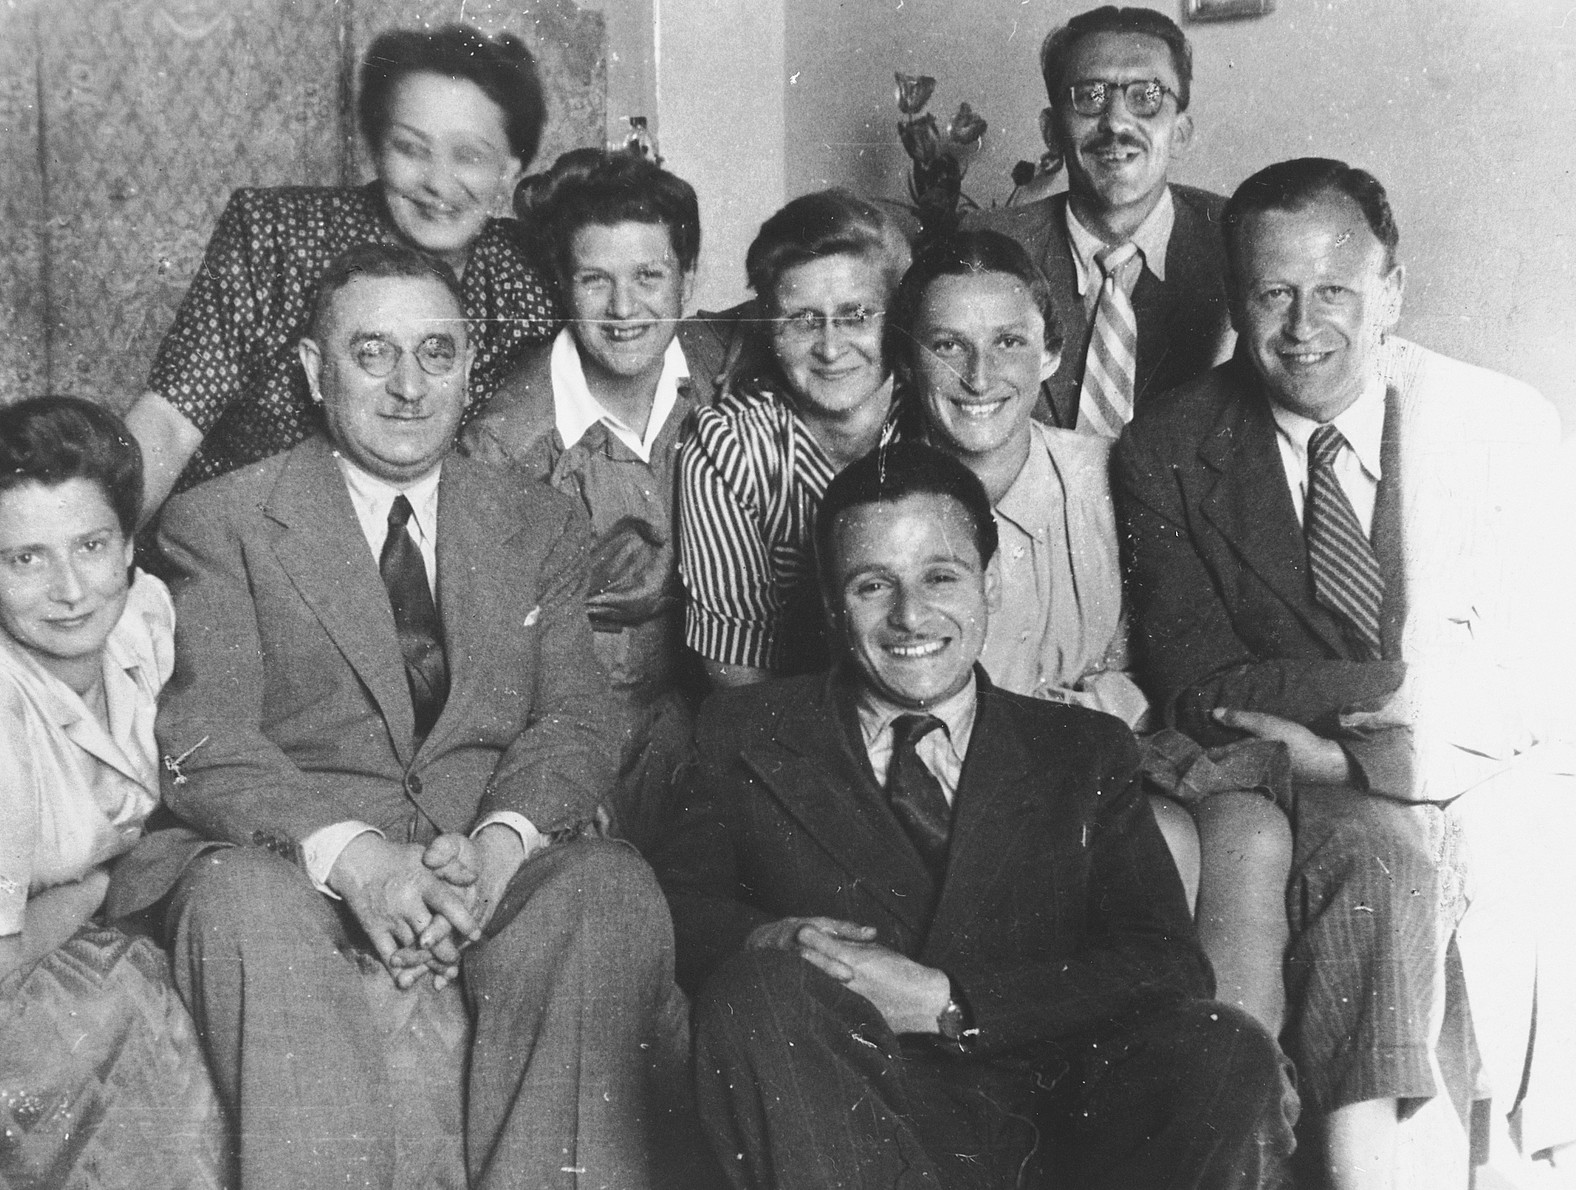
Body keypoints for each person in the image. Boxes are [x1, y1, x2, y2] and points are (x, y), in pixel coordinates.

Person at [107, 241, 689, 1190]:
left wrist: (499, 851)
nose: (410, 386)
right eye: (373, 353)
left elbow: (577, 722)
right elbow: (208, 744)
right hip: (300, 864)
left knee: (609, 890)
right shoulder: (219, 522)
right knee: (235, 898)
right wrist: (363, 863)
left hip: (480, 856)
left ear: (468, 364)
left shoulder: (538, 523)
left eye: (437, 352)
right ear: (313, 369)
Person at [654, 440, 1293, 1190]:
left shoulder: (1081, 749)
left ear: (989, 585)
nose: (910, 615)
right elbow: (678, 913)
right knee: (756, 992)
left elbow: (1163, 963)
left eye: (941, 577)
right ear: (831, 603)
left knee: (1223, 1044)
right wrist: (768, 936)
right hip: (850, 1126)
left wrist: (951, 1004)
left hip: (1050, 1127)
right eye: (871, 586)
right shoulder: (745, 731)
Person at [1114, 157, 1575, 1188]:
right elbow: (1199, 678)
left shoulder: (1498, 425)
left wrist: (1350, 741)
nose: (1303, 326)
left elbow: (1540, 667)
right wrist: (1410, 684)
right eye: (1272, 293)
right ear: (1236, 301)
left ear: (1393, 291)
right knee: (1373, 858)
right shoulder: (1168, 448)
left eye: (1335, 291)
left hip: (1455, 762)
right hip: (1267, 772)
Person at [896, 226, 1292, 1036]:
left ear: (1050, 353)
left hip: (1109, 743)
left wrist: (1108, 697)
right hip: (970, 770)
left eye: (1009, 342)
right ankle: (1156, 1101)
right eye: (948, 345)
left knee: (1251, 827)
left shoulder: (1108, 471)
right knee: (1160, 837)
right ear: (910, 359)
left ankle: (1247, 1103)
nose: (980, 376)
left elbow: (1149, 649)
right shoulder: (888, 502)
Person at [123, 23, 560, 514]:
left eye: (469, 155)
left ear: (512, 168)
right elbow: (168, 422)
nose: (438, 182)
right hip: (245, 552)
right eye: (410, 148)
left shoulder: (531, 277)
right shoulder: (275, 238)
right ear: (376, 149)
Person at [465, 149, 724, 847]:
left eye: (649, 276)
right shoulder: (508, 442)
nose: (624, 309)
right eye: (595, 280)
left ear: (688, 281)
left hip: (710, 716)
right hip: (577, 729)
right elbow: (491, 653)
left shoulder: (724, 372)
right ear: (562, 284)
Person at [0, 396, 170, 991]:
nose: (70, 590)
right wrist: (97, 886)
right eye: (26, 559)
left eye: (91, 546)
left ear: (126, 543)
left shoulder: (145, 613)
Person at [678, 188, 911, 686]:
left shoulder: (933, 421)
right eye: (802, 320)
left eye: (857, 316)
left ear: (899, 318)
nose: (830, 347)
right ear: (768, 327)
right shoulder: (729, 448)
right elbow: (739, 680)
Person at [966, 5, 1231, 434]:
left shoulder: (1235, 240)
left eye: (1146, 96)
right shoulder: (992, 246)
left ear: (1180, 133)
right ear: (1051, 131)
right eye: (1090, 95)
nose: (1116, 122)